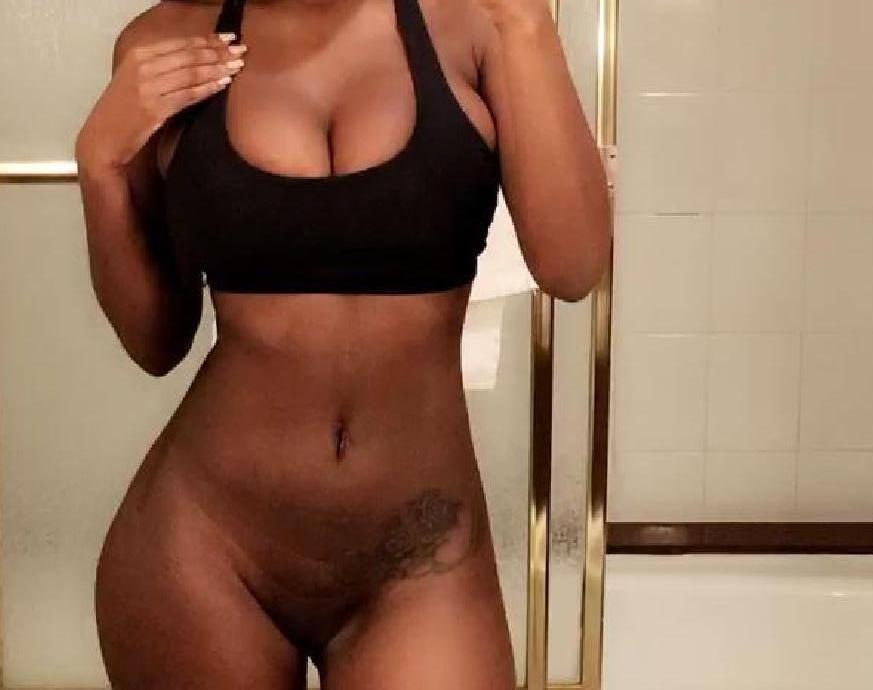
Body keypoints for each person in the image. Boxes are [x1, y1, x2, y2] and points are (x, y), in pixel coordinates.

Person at [73, 0, 610, 686]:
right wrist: (100, 167)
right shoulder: (168, 39)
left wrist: (526, 22)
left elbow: (573, 266)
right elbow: (157, 341)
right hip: (206, 548)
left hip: (420, 555)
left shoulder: (479, 24)